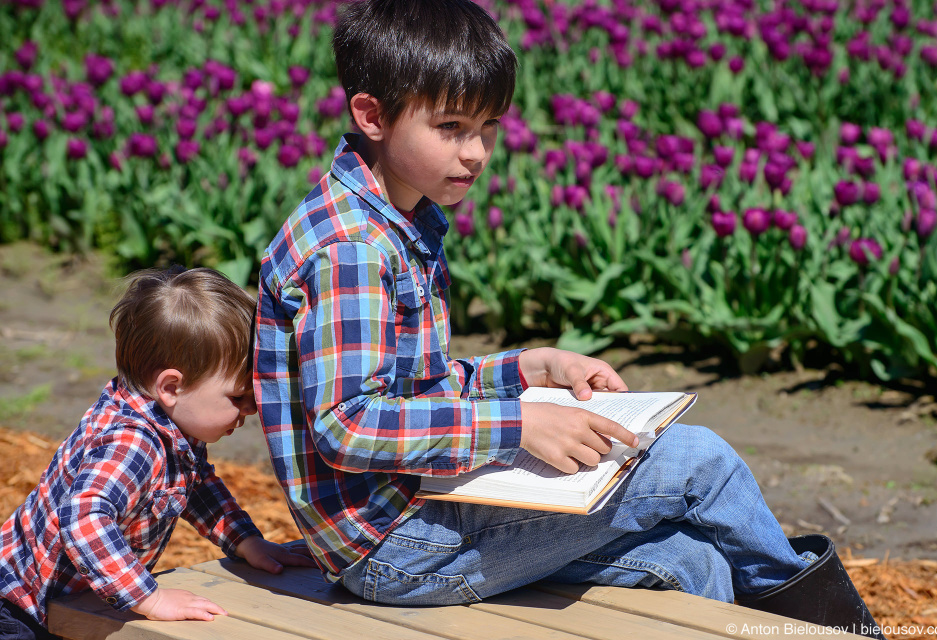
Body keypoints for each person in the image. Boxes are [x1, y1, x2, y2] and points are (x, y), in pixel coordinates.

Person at [254, 0, 883, 636]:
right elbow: (350, 424)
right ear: (372, 115)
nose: (476, 152)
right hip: (394, 543)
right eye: (450, 127)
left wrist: (527, 369)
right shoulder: (351, 251)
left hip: (418, 508)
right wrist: (518, 423)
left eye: (489, 126)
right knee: (695, 460)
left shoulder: (395, 219)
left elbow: (412, 387)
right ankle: (841, 632)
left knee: (691, 563)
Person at [0, 267, 314, 640]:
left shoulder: (172, 426)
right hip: (21, 608)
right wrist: (150, 599)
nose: (251, 408)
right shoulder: (133, 442)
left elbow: (195, 486)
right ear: (171, 386)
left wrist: (245, 541)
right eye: (238, 396)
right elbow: (84, 519)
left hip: (71, 598)